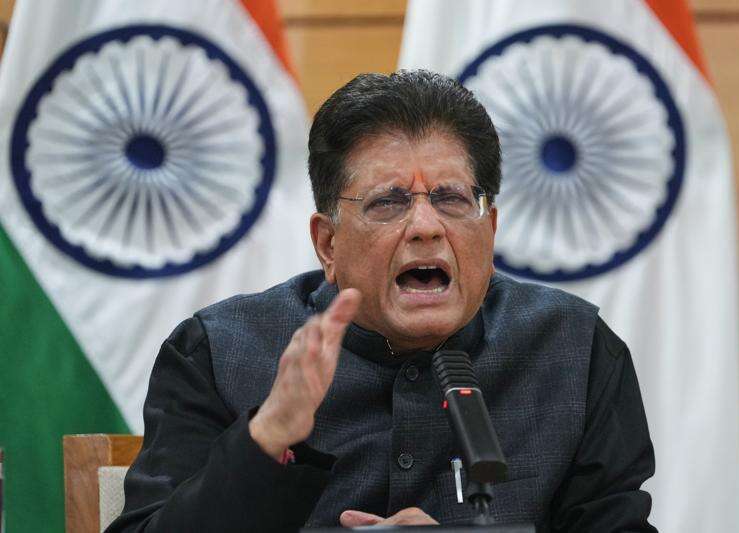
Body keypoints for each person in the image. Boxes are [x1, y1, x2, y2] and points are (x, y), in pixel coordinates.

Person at [108, 70, 656, 532]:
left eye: (451, 198)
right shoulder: (217, 352)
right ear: (328, 243)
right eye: (388, 202)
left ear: (489, 230)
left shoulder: (575, 350)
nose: (426, 226)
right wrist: (267, 436)